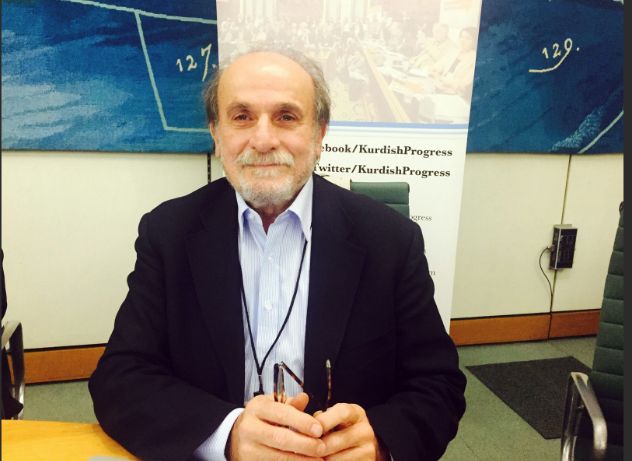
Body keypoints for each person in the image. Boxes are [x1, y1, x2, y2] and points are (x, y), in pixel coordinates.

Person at [89, 47, 466, 461]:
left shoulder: (390, 240)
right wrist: (228, 435)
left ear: (319, 134)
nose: (264, 139)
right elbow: (121, 377)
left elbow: (438, 385)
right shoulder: (169, 233)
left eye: (286, 116)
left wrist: (380, 442)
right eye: (241, 116)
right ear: (216, 133)